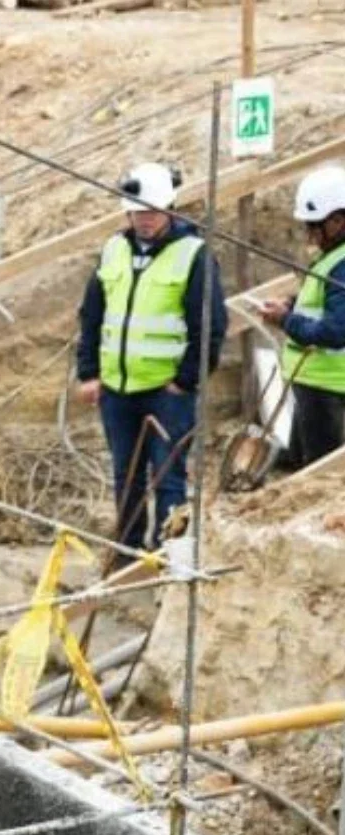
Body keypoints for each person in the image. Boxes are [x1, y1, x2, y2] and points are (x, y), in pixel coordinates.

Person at [74, 162, 225, 550]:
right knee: (126, 477)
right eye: (137, 212)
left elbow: (210, 326)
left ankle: (169, 555)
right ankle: (127, 554)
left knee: (168, 477)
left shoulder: (194, 255)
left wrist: (185, 381)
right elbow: (92, 315)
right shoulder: (114, 250)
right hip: (117, 391)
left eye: (152, 212)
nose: (144, 220)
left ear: (169, 208)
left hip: (166, 392)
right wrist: (89, 372)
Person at [259, 164, 345, 468]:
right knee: (296, 459)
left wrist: (286, 319)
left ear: (337, 221)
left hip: (328, 385)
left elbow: (336, 332)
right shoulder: (333, 259)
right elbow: (325, 304)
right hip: (315, 383)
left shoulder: (341, 264)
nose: (310, 235)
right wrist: (293, 305)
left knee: (319, 471)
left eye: (314, 226)